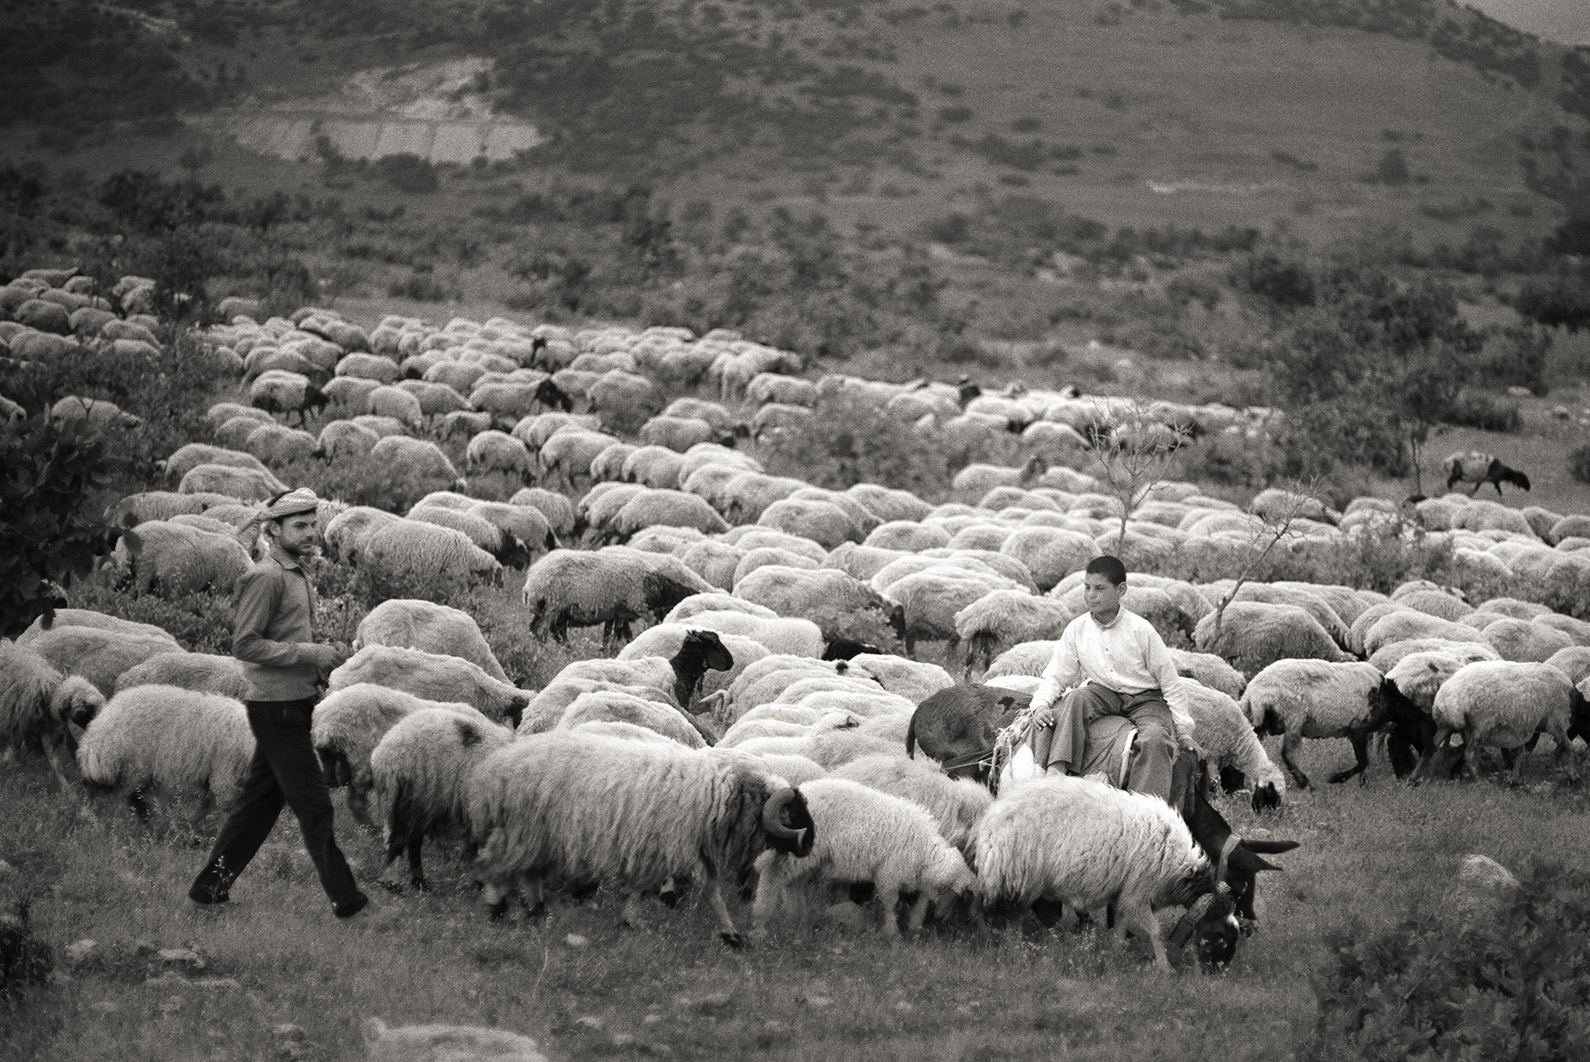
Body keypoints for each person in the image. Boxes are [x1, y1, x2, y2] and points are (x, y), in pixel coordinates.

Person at [188, 487, 375, 919]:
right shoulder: (267, 576)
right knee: (314, 804)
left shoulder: (296, 572)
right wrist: (310, 655)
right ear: (274, 529)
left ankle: (209, 888)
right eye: (300, 526)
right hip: (276, 709)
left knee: (259, 804)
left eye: (313, 524)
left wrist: (318, 668)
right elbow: (245, 645)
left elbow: (285, 638)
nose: (311, 533)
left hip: (297, 702)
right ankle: (347, 901)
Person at [1026, 555, 1196, 803]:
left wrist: (1183, 731)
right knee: (1075, 699)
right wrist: (1040, 704)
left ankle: (1144, 804)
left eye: (1099, 588)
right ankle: (1058, 770)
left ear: (1121, 590)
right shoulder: (1077, 629)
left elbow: (1170, 683)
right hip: (1103, 692)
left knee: (1156, 739)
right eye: (1087, 587)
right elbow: (1057, 674)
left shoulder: (1141, 630)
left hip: (1146, 699)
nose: (1090, 595)